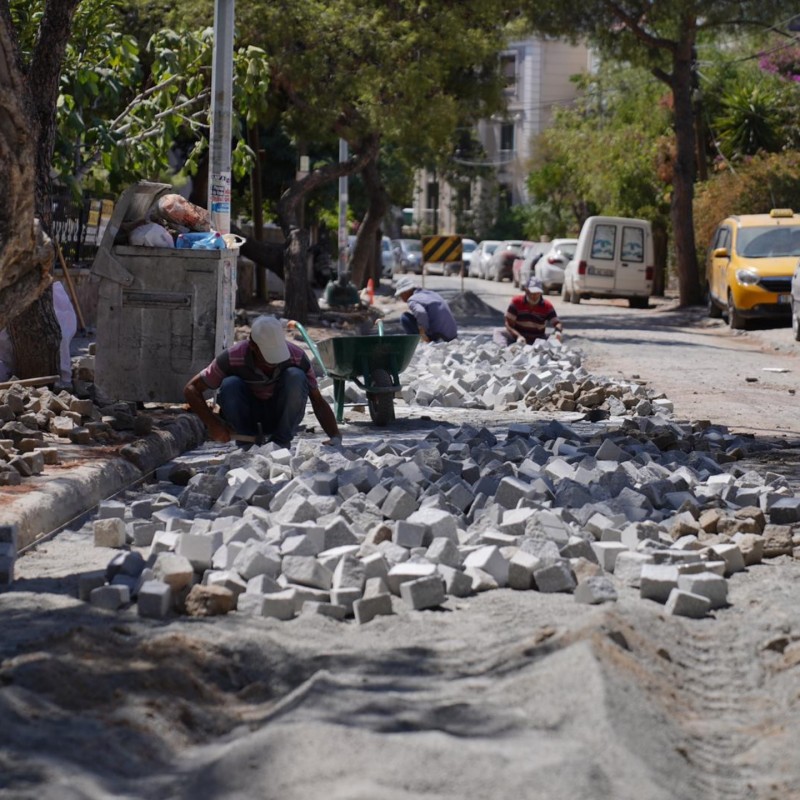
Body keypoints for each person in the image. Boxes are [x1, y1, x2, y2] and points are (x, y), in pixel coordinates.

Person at [184, 315, 341, 447]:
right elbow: (191, 389)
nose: (273, 362)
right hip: (248, 415)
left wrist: (335, 436)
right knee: (230, 384)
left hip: (281, 415)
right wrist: (213, 424)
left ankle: (281, 442)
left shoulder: (297, 357)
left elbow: (317, 400)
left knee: (296, 376)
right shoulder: (232, 357)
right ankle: (247, 443)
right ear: (252, 345)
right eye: (267, 355)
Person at [494, 276, 563, 346]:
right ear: (526, 291)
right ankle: (503, 349)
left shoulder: (547, 306)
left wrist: (558, 332)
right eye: (532, 293)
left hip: (538, 339)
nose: (534, 296)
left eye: (537, 293)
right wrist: (518, 336)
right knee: (498, 332)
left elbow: (557, 323)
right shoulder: (516, 302)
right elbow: (508, 324)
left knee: (557, 338)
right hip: (517, 337)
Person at [394, 276, 458, 342]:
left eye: (401, 294)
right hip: (452, 335)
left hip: (438, 336)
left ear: (406, 292)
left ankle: (416, 342)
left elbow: (420, 312)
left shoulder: (412, 299)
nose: (401, 297)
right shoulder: (431, 293)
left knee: (405, 317)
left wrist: (422, 332)